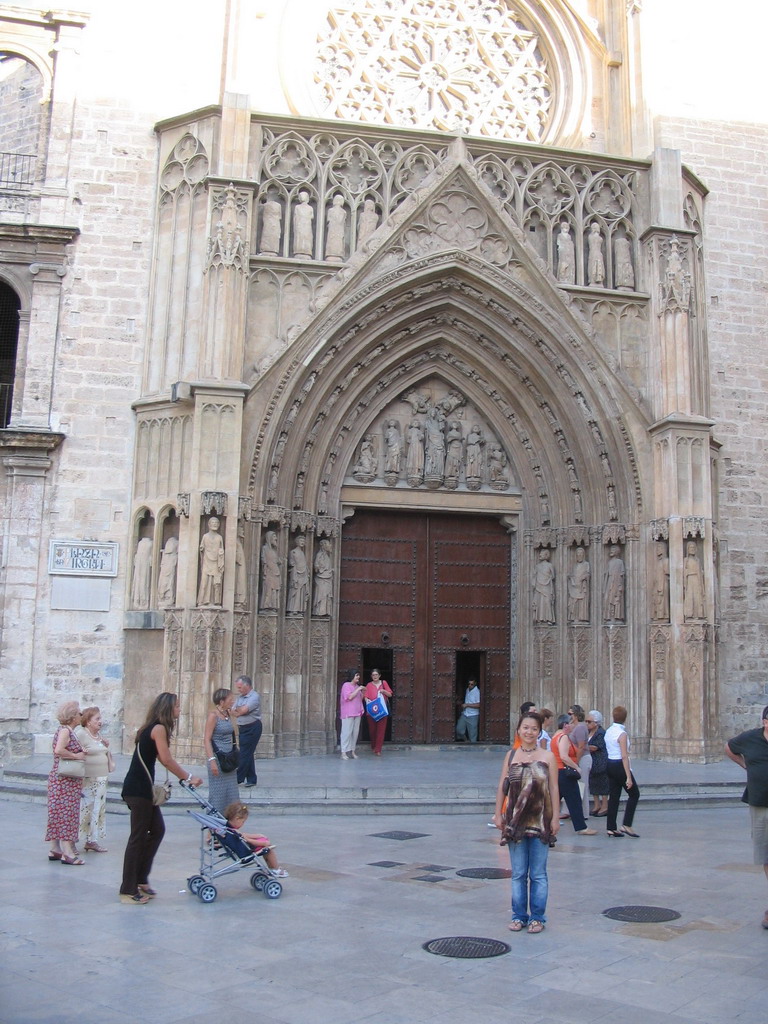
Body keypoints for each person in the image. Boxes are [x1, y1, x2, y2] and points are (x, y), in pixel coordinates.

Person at [119, 693, 202, 905]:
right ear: (167, 708)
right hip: (138, 789)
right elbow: (166, 759)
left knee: (157, 830)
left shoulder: (151, 728)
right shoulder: (158, 728)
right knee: (137, 838)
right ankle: (128, 889)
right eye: (176, 706)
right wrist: (189, 777)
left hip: (141, 788)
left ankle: (140, 879)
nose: (179, 710)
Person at [493, 711, 559, 933]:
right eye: (525, 728)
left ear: (540, 732)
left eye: (534, 728)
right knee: (519, 872)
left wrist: (556, 818)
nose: (529, 732)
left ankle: (537, 917)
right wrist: (497, 814)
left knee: (538, 873)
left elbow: (553, 789)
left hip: (541, 820)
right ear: (518, 730)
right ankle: (519, 915)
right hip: (515, 821)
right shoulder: (511, 756)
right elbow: (503, 786)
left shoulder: (548, 756)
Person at [725, 705, 768, 929]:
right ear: (764, 722)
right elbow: (729, 748)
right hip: (760, 803)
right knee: (765, 854)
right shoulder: (750, 739)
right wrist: (746, 766)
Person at [46, 700, 86, 864]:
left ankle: (55, 848)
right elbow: (59, 750)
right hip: (64, 781)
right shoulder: (65, 731)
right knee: (66, 814)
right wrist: (77, 756)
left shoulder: (67, 730)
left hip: (64, 780)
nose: (81, 715)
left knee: (58, 812)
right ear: (72, 716)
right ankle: (67, 852)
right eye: (79, 713)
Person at [75, 706, 112, 853]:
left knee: (98, 809)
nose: (100, 721)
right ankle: (74, 839)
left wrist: (106, 747)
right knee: (85, 808)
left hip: (102, 777)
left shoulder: (98, 736)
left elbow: (105, 753)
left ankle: (92, 839)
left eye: (100, 718)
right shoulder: (81, 733)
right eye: (97, 719)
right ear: (88, 721)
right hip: (88, 777)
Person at [550, 719, 596, 835]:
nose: (572, 726)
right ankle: (581, 827)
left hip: (558, 772)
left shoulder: (555, 736)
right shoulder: (563, 737)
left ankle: (541, 820)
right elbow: (564, 756)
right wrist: (577, 767)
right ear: (565, 725)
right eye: (570, 723)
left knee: (554, 800)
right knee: (574, 799)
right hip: (565, 772)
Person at [223, 803, 289, 877]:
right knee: (268, 849)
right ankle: (276, 869)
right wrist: (264, 844)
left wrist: (258, 835)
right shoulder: (235, 832)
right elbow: (247, 839)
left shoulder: (228, 829)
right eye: (243, 821)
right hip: (246, 851)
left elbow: (244, 835)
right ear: (237, 819)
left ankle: (273, 868)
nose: (243, 824)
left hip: (244, 847)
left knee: (264, 842)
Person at [604, 705, 640, 838]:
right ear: (625, 718)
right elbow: (624, 755)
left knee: (614, 796)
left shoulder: (608, 731)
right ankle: (627, 824)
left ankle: (611, 827)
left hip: (610, 764)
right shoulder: (622, 734)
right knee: (634, 794)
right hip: (619, 764)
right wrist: (628, 777)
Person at [204, 688, 240, 813]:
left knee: (232, 794)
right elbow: (207, 739)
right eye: (230, 699)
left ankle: (229, 826)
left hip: (228, 758)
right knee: (218, 795)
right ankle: (213, 828)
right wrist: (212, 760)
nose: (233, 701)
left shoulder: (227, 714)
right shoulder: (213, 716)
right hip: (217, 759)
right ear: (222, 701)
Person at [231, 675, 262, 786]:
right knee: (248, 753)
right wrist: (237, 711)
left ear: (247, 686)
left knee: (244, 754)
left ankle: (238, 778)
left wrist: (238, 711)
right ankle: (251, 779)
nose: (238, 690)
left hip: (252, 727)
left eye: (240, 687)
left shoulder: (254, 697)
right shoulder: (241, 697)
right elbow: (232, 711)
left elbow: (242, 711)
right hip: (243, 728)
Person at [568, 703, 591, 819]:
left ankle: (584, 813)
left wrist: (576, 761)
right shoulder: (576, 727)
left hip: (582, 759)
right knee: (577, 785)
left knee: (583, 785)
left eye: (570, 714)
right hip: (578, 759)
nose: (569, 716)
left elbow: (581, 746)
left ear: (576, 715)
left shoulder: (581, 727)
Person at [197, 516, 225, 606]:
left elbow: (221, 549)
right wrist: (201, 549)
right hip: (207, 561)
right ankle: (202, 601)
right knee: (205, 581)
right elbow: (201, 547)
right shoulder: (205, 536)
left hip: (216, 562)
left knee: (215, 583)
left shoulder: (219, 537)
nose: (215, 524)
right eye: (213, 523)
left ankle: (215, 601)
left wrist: (221, 553)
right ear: (209, 525)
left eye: (216, 523)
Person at [365, 668, 392, 756]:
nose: (375, 676)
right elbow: (365, 696)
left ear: (379, 675)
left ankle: (378, 749)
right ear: (371, 676)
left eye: (376, 675)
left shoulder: (384, 683)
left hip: (382, 711)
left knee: (381, 730)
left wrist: (383, 691)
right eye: (373, 675)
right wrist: (367, 701)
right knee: (372, 730)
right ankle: (373, 746)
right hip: (372, 711)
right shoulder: (368, 685)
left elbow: (390, 694)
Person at [586, 710, 609, 816]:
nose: (587, 724)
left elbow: (595, 747)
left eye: (589, 721)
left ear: (596, 723)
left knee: (603, 785)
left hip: (600, 761)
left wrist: (582, 747)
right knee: (593, 784)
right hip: (591, 762)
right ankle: (597, 805)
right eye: (586, 721)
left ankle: (604, 806)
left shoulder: (601, 733)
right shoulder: (588, 732)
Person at [339, 670, 364, 760]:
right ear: (352, 676)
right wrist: (358, 689)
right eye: (357, 675)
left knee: (355, 733)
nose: (358, 677)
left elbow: (361, 698)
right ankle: (343, 752)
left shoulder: (357, 686)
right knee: (346, 732)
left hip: (357, 712)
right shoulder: (346, 685)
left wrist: (363, 691)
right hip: (348, 713)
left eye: (358, 675)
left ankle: (352, 751)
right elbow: (349, 697)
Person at [532, 549, 555, 624]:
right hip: (539, 586)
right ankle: (539, 619)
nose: (539, 555)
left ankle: (549, 619)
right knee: (540, 601)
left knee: (547, 601)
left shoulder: (550, 565)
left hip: (547, 586)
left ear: (546, 555)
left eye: (541, 554)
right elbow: (534, 575)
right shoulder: (537, 566)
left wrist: (547, 578)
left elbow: (553, 576)